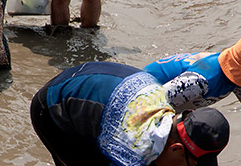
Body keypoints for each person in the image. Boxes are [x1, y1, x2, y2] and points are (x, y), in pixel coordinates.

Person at [30, 62, 229, 166]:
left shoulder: (167, 118)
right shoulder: (132, 151)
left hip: (96, 83)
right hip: (53, 108)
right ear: (176, 149)